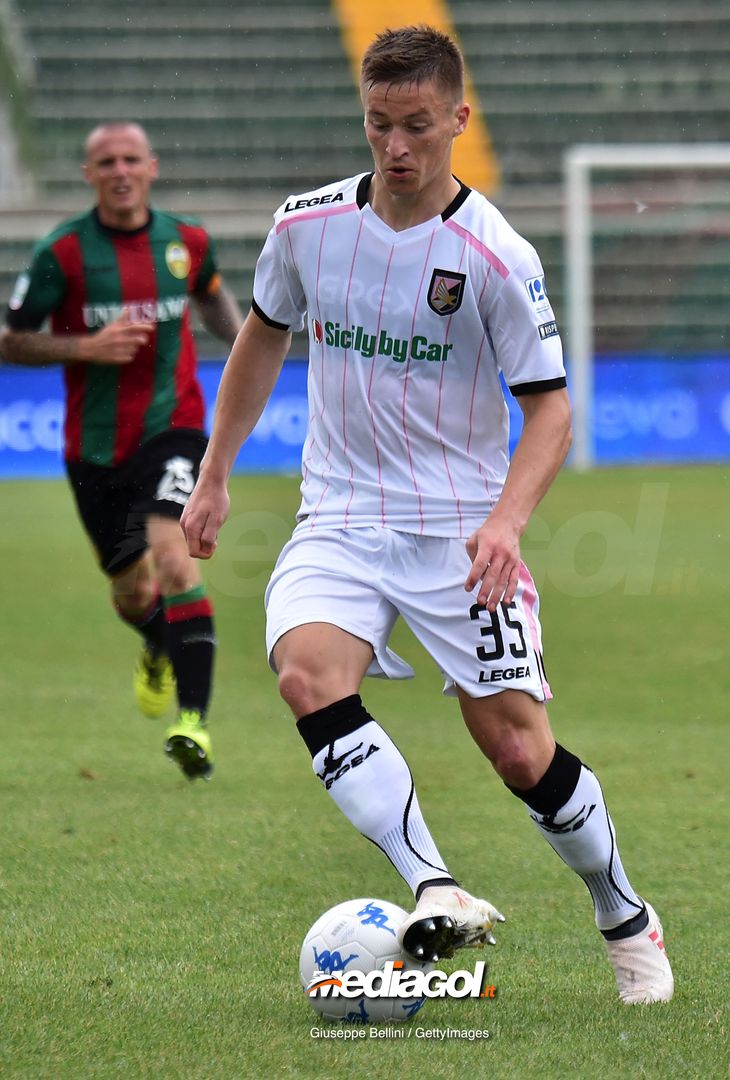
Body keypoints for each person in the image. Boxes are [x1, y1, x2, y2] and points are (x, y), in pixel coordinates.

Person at [180, 27, 673, 1001]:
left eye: (415, 126)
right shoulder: (305, 227)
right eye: (378, 125)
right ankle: (432, 883)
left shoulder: (495, 256)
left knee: (519, 750)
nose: (395, 147)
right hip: (340, 516)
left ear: (457, 118)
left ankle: (623, 914)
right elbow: (261, 340)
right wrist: (214, 473)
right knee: (306, 673)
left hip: (458, 532)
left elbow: (551, 410)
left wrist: (505, 523)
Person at [1, 121, 243, 780]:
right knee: (132, 593)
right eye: (106, 161)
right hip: (95, 448)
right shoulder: (65, 253)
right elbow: (11, 339)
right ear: (89, 175)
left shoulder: (186, 240)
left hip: (176, 427)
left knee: (172, 557)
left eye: (130, 158)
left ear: (152, 167)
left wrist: (256, 343)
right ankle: (157, 648)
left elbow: (216, 303)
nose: (120, 170)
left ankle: (193, 723)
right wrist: (84, 346)